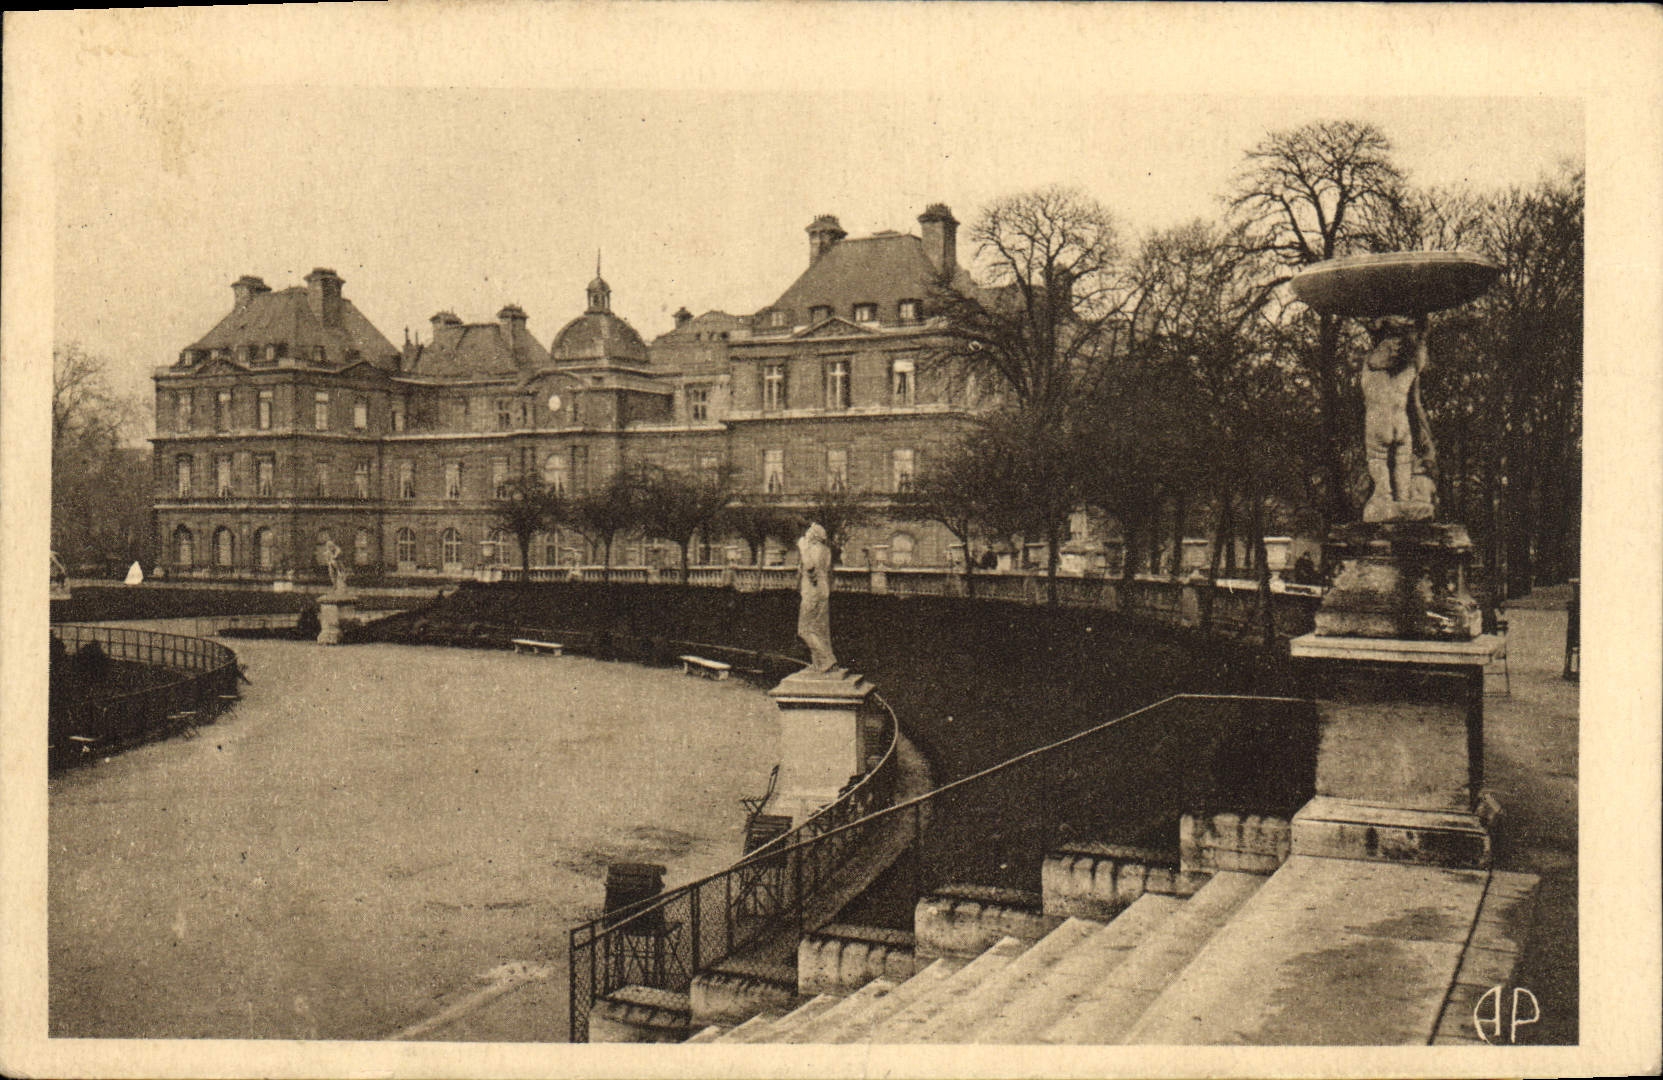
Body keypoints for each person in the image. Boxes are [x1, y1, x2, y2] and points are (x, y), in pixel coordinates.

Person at [1360, 314, 1434, 522]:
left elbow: (1374, 362)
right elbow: (1416, 366)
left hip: (1378, 419)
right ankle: (1403, 498)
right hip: (1399, 420)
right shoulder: (1405, 375)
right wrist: (1422, 340)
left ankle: (1384, 497)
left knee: (1377, 458)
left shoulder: (1372, 371)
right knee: (1403, 460)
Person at [796, 522, 837, 673]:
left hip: (812, 591)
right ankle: (819, 664)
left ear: (813, 535)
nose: (805, 534)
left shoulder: (810, 548)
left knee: (804, 629)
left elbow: (810, 568)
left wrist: (802, 548)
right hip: (823, 589)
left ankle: (827, 660)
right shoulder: (826, 550)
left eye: (808, 532)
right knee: (819, 629)